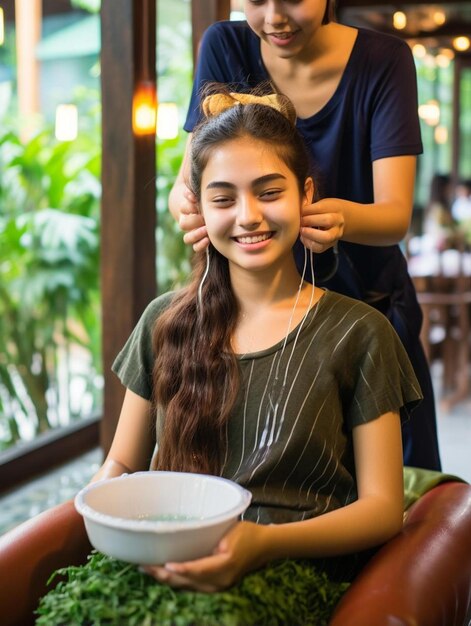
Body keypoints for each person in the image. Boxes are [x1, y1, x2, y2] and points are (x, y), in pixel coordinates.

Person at [93, 91, 421, 593]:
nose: (248, 216)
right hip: (166, 560)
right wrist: (93, 510)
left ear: (305, 195)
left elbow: (382, 511)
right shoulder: (164, 321)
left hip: (297, 578)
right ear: (199, 209)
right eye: (223, 199)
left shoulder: (360, 332)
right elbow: (121, 463)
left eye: (269, 192)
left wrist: (263, 544)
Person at [168, 0, 441, 471]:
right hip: (259, 318)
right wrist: (189, 205)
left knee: (394, 489)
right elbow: (190, 178)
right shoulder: (225, 45)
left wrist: (340, 220)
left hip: (364, 308)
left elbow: (395, 216)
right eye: (255, 1)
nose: (274, 17)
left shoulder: (383, 60)